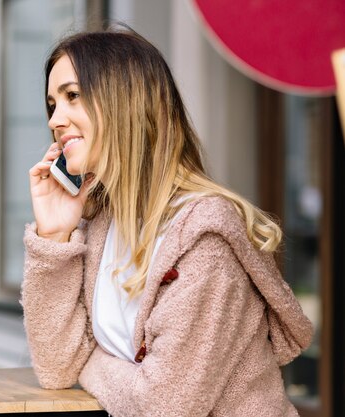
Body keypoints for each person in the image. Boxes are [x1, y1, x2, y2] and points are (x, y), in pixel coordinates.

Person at [21, 26, 313, 417]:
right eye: (52, 104)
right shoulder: (103, 224)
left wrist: (87, 360)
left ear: (125, 101)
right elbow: (57, 368)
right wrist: (54, 236)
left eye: (73, 96)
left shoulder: (204, 238)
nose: (56, 118)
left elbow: (163, 406)